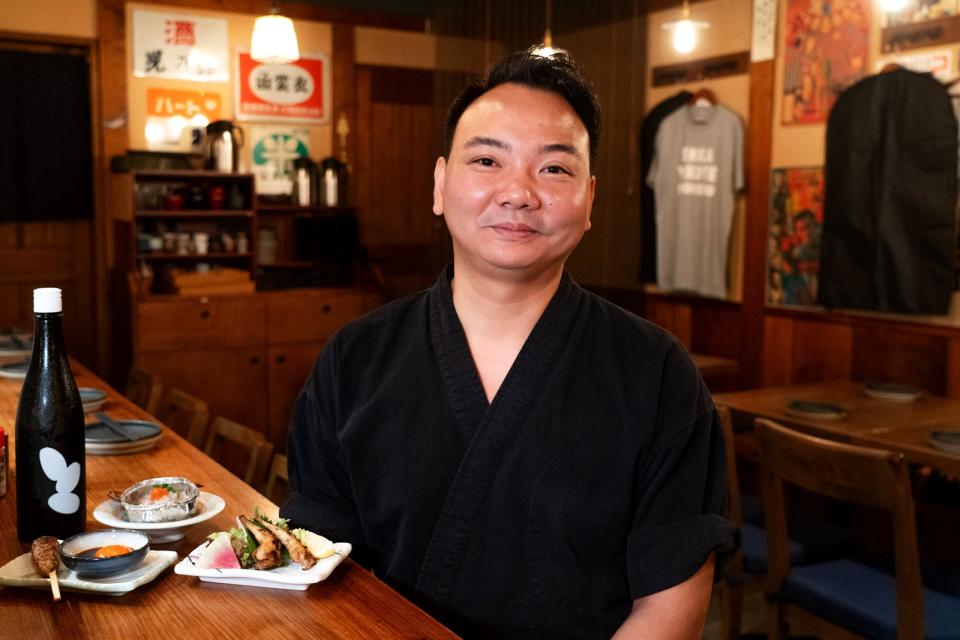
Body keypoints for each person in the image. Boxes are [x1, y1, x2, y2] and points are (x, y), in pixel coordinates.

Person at [282, 49, 737, 639]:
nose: (519, 192)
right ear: (441, 184)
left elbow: (670, 605)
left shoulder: (658, 375)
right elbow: (316, 562)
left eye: (554, 169)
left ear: (590, 198)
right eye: (488, 160)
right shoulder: (355, 359)